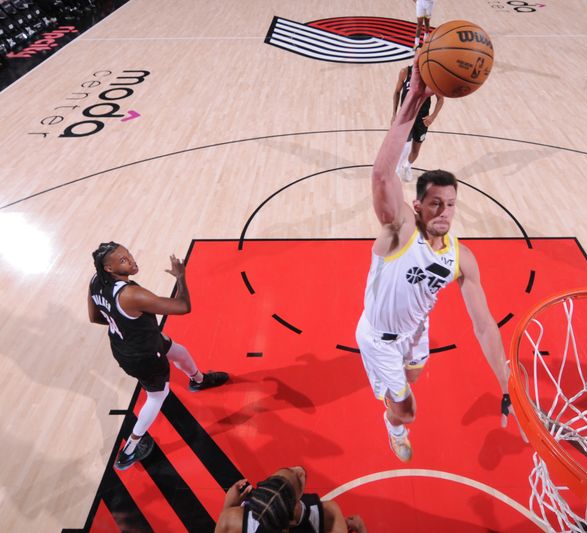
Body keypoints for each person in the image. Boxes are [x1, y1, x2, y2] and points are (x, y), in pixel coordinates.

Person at [356, 56, 516, 462]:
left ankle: (397, 407)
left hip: (415, 333)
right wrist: (411, 104)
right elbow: (381, 175)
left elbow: (484, 326)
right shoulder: (399, 232)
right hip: (378, 337)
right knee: (407, 409)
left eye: (451, 204)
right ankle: (393, 427)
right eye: (436, 204)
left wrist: (505, 381)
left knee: (412, 379)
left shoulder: (462, 257)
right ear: (418, 205)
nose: (444, 212)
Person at [89, 242, 228, 470]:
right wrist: (181, 277)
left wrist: (123, 322)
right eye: (123, 260)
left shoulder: (95, 281)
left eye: (129, 254)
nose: (131, 260)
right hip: (143, 355)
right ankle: (130, 449)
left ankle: (198, 380)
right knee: (157, 396)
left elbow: (95, 317)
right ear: (110, 269)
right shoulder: (131, 294)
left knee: (179, 351)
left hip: (126, 343)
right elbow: (182, 306)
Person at [215, 466, 368, 533]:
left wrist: (228, 506)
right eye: (295, 477)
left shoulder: (230, 521)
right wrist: (361, 529)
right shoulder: (330, 515)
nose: (298, 471)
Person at [392, 63, 444, 183]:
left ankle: (407, 166)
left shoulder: (431, 76)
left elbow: (440, 99)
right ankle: (397, 170)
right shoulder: (405, 72)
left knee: (416, 150)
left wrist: (433, 117)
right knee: (405, 144)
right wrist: (394, 114)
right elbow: (396, 92)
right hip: (406, 116)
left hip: (421, 119)